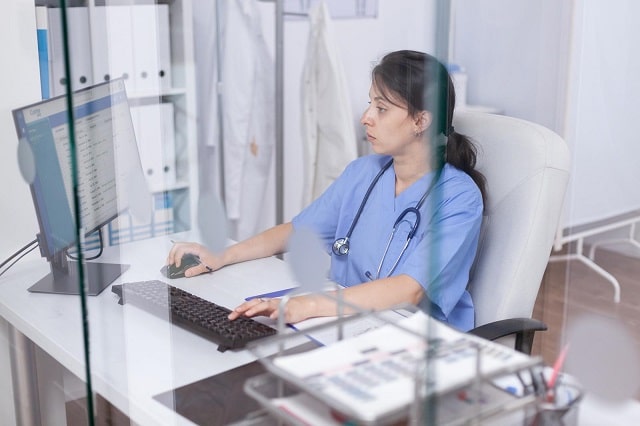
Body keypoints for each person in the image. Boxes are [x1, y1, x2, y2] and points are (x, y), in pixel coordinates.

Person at [167, 50, 486, 331]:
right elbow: (295, 231)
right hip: (351, 322)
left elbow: (409, 290)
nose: (365, 118)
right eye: (369, 104)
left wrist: (305, 306)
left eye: (382, 108)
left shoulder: (459, 198)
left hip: (416, 339)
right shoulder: (363, 173)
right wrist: (222, 254)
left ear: (421, 121)